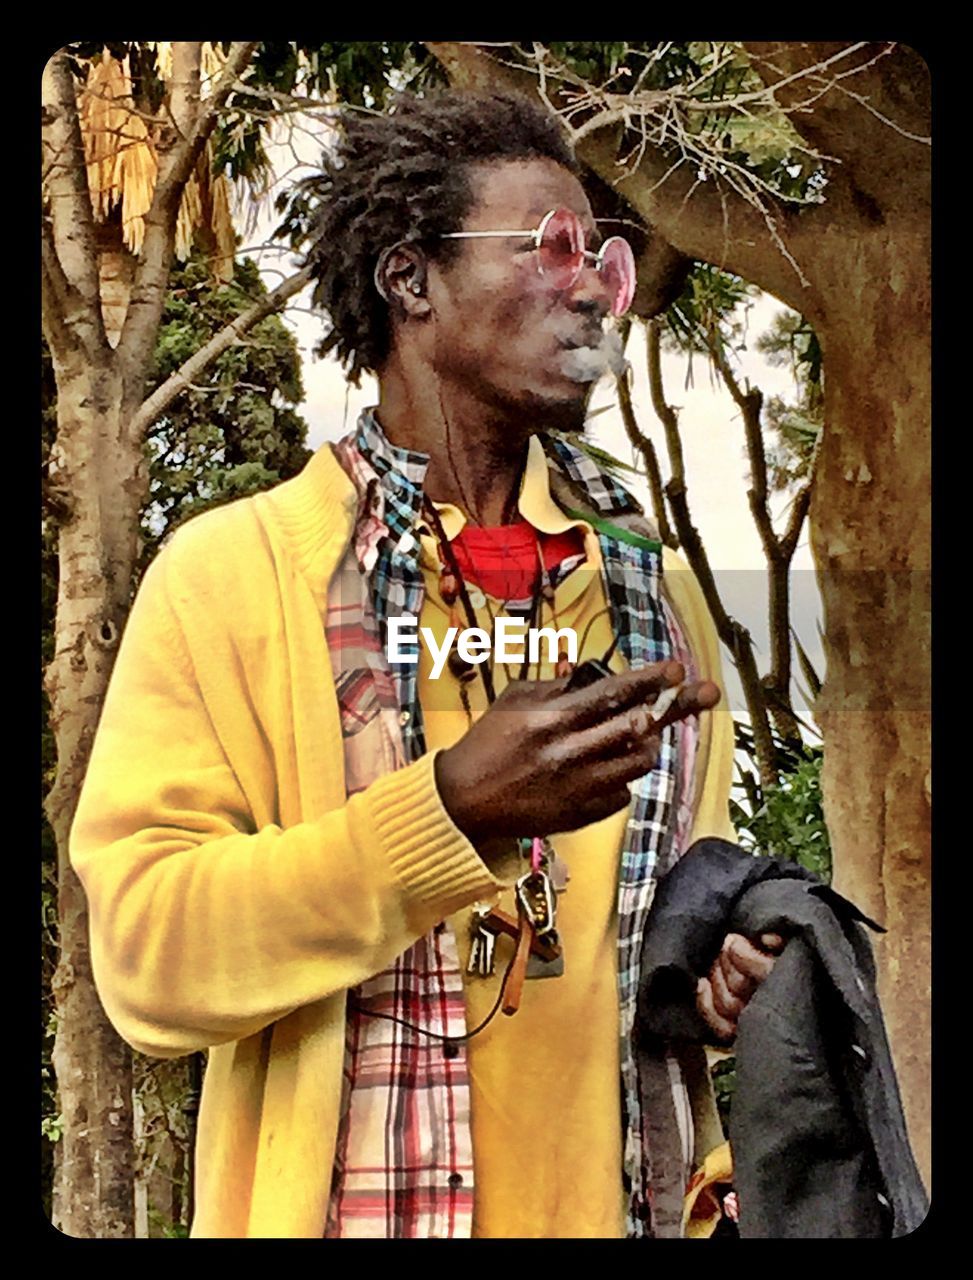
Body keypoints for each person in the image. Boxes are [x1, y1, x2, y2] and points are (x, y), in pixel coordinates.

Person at [71, 90, 782, 1240]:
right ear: (410, 282)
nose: (593, 282)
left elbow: (651, 958)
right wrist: (446, 812)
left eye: (601, 252)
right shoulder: (235, 575)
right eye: (547, 246)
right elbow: (148, 959)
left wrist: (715, 980)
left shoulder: (658, 602)